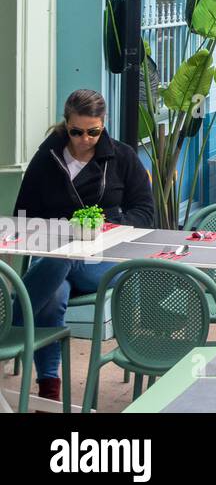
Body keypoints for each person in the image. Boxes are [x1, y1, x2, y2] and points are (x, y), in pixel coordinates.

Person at [15, 90, 155, 401]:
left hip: (106, 262)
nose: (85, 139)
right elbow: (22, 217)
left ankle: (10, 326)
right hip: (55, 259)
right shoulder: (46, 159)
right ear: (66, 125)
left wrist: (105, 225)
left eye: (94, 132)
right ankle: (49, 390)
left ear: (103, 126)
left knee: (59, 264)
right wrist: (61, 234)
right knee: (53, 294)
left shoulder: (123, 157)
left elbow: (146, 213)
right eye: (77, 132)